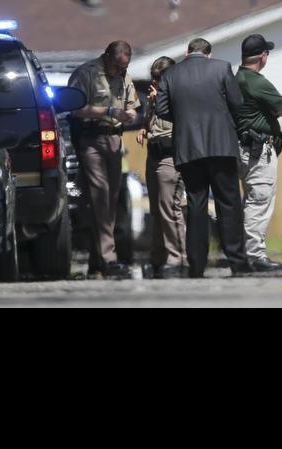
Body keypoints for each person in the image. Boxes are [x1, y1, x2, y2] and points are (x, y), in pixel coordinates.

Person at [154, 38, 251, 278]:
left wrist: (184, 117)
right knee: (228, 203)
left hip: (188, 149)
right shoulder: (221, 67)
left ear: (187, 52)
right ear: (208, 54)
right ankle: (237, 262)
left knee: (196, 205)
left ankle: (196, 265)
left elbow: (162, 109)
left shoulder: (172, 74)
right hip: (221, 146)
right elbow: (237, 102)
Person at [68, 41, 140, 280]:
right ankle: (109, 259)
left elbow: (133, 105)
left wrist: (131, 115)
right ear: (106, 57)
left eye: (122, 68)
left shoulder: (124, 76)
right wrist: (108, 112)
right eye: (115, 67)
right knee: (101, 198)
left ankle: (96, 260)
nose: (117, 72)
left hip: (115, 142)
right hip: (91, 141)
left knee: (110, 200)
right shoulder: (86, 74)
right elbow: (75, 109)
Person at [235, 34, 282, 275]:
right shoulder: (256, 81)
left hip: (242, 148)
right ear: (262, 56)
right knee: (259, 201)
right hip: (257, 152)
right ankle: (254, 256)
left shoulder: (236, 78)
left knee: (250, 201)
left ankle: (246, 252)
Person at [136, 56, 187, 279]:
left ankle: (178, 258)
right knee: (157, 211)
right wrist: (143, 129)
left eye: (159, 79)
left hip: (170, 157)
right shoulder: (153, 97)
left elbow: (183, 120)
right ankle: (158, 257)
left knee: (170, 209)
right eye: (153, 79)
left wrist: (164, 99)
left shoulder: (179, 96)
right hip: (153, 155)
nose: (155, 83)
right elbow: (150, 122)